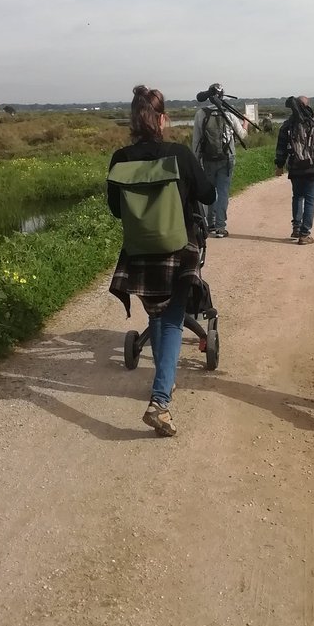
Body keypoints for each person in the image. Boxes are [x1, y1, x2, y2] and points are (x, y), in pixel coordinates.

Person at [107, 85, 215, 437]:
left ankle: (162, 381)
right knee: (170, 322)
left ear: (133, 122)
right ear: (162, 119)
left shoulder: (120, 159)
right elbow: (208, 194)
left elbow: (114, 209)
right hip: (177, 251)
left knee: (157, 314)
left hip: (138, 254)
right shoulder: (179, 155)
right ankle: (160, 401)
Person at [275, 96, 314, 245]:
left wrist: (279, 165)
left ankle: (296, 227)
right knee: (310, 200)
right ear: (308, 106)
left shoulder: (287, 125)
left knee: (297, 197)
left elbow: (281, 147)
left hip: (295, 168)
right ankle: (304, 234)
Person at [192, 84, 248, 238]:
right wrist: (245, 125)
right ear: (223, 96)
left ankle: (210, 223)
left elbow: (196, 141)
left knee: (210, 190)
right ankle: (220, 227)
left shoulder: (201, 114)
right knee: (223, 192)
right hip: (227, 159)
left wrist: (196, 161)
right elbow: (242, 135)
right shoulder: (229, 114)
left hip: (208, 159)